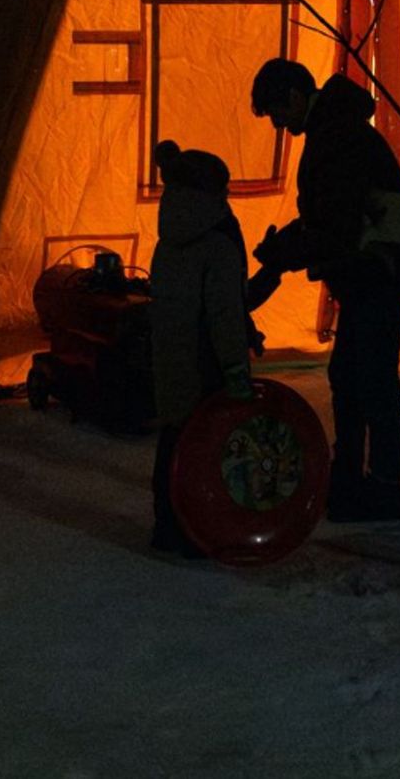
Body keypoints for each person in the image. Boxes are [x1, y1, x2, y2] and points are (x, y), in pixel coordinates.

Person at [249, 57, 400, 522]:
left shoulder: (335, 138)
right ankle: (356, 481)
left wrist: (283, 256)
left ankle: (379, 490)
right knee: (353, 378)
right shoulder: (337, 131)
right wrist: (285, 249)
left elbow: (335, 226)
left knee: (371, 382)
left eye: (279, 114)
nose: (281, 125)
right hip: (373, 276)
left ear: (296, 97)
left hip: (376, 277)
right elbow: (331, 216)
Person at [146, 139, 255, 557]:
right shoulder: (218, 243)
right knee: (208, 445)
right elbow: (224, 314)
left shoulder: (168, 237)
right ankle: (198, 529)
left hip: (172, 354)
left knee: (175, 438)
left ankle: (168, 525)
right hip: (205, 359)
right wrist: (235, 369)